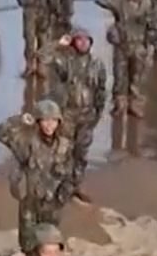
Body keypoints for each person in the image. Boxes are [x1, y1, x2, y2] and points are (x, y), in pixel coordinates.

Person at [0, 100, 75, 251]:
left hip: (53, 203)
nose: (49, 125)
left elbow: (70, 173)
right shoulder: (26, 143)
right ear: (38, 121)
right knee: (28, 244)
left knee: (49, 242)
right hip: (30, 203)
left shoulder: (65, 146)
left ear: (59, 122)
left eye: (54, 120)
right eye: (45, 120)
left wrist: (65, 193)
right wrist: (21, 120)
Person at [40, 29, 107, 200]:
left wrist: (97, 114)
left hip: (87, 116)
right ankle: (56, 187)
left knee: (81, 154)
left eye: (86, 40)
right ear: (73, 43)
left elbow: (101, 91)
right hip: (68, 115)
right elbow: (42, 56)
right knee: (62, 152)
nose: (83, 43)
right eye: (79, 40)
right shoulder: (65, 61)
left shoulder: (97, 64)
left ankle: (75, 186)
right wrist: (58, 44)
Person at [94, 0, 154, 117]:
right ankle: (119, 104)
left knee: (137, 76)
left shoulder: (146, 1)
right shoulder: (118, 0)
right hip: (122, 44)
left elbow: (153, 22)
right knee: (120, 76)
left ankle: (135, 104)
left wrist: (151, 41)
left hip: (139, 44)